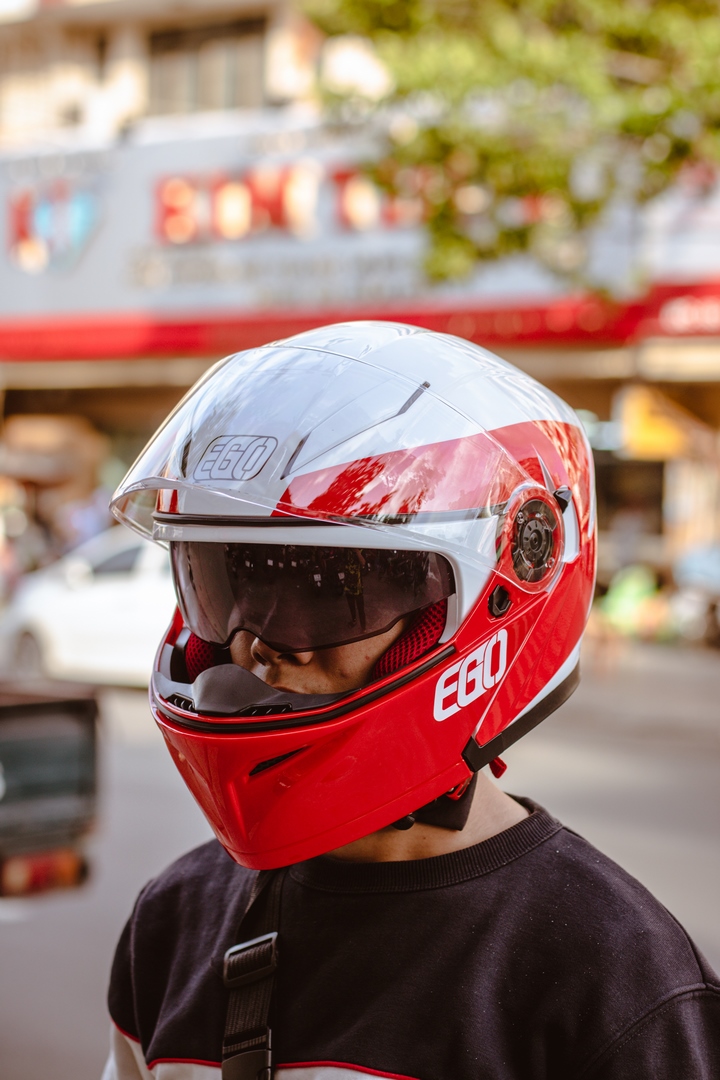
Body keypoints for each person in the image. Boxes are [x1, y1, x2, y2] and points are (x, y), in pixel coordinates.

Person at [103, 322, 720, 1080]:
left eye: (323, 590)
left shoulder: (610, 978)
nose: (252, 647)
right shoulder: (173, 920)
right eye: (225, 584)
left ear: (504, 579)